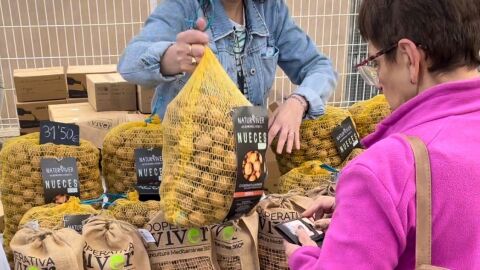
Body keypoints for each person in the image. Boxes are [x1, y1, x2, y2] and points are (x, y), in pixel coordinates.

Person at [285, 0, 480, 269]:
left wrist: (304, 258)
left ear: (408, 57)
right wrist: (366, 215)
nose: (378, 81)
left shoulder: (387, 168)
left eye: (375, 64)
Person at [118, 0, 337, 154]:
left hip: (247, 165)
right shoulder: (182, 7)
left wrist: (299, 102)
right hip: (188, 164)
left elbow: (319, 67)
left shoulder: (271, 10)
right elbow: (129, 64)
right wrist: (169, 59)